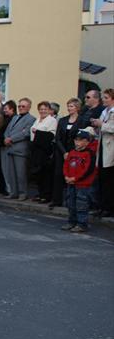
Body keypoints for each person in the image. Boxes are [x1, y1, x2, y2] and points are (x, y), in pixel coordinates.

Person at [61, 129, 97, 233]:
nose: (77, 142)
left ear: (87, 142)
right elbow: (66, 165)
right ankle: (72, 221)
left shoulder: (89, 154)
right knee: (71, 203)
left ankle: (82, 224)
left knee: (81, 204)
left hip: (82, 184)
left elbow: (88, 170)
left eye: (81, 140)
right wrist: (67, 176)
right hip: (70, 182)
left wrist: (75, 178)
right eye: (76, 140)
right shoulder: (72, 152)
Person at [2, 98, 35, 200]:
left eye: (23, 106)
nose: (20, 108)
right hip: (10, 148)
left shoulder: (31, 119)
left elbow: (25, 133)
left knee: (21, 173)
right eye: (19, 106)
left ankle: (22, 193)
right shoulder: (15, 117)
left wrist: (11, 138)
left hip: (20, 149)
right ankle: (13, 192)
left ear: (29, 107)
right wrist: (6, 138)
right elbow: (8, 130)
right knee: (11, 173)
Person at [51, 98, 83, 208]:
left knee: (72, 176)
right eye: (68, 106)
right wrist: (64, 152)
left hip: (75, 152)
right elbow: (58, 137)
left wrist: (72, 152)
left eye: (72, 106)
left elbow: (81, 138)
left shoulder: (81, 120)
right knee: (58, 175)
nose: (69, 108)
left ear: (77, 107)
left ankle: (72, 201)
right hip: (61, 151)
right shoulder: (63, 120)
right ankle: (57, 200)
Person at [30, 101, 57, 203]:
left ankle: (46, 195)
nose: (43, 111)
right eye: (41, 109)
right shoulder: (38, 120)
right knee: (38, 174)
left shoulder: (52, 120)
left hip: (44, 150)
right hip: (36, 149)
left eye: (45, 109)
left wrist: (37, 132)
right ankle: (40, 193)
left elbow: (51, 135)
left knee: (45, 174)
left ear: (49, 110)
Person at [91, 88, 113, 217]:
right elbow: (101, 130)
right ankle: (101, 206)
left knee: (109, 179)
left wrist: (101, 125)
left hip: (111, 149)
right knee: (102, 179)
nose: (103, 100)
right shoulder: (104, 111)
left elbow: (111, 128)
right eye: (103, 98)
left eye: (106, 98)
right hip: (103, 146)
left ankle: (108, 208)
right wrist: (95, 126)